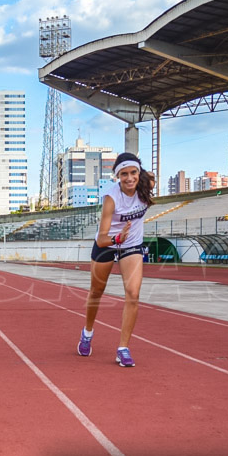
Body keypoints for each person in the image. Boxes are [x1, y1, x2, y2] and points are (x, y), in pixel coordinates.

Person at [77, 152, 154, 367]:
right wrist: (116, 237)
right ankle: (88, 332)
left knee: (133, 293)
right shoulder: (111, 199)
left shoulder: (146, 185)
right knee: (96, 291)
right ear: (117, 176)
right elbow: (102, 238)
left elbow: (149, 177)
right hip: (108, 243)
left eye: (133, 173)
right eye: (124, 174)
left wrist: (125, 239)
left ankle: (123, 348)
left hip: (132, 244)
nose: (129, 178)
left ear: (139, 173)